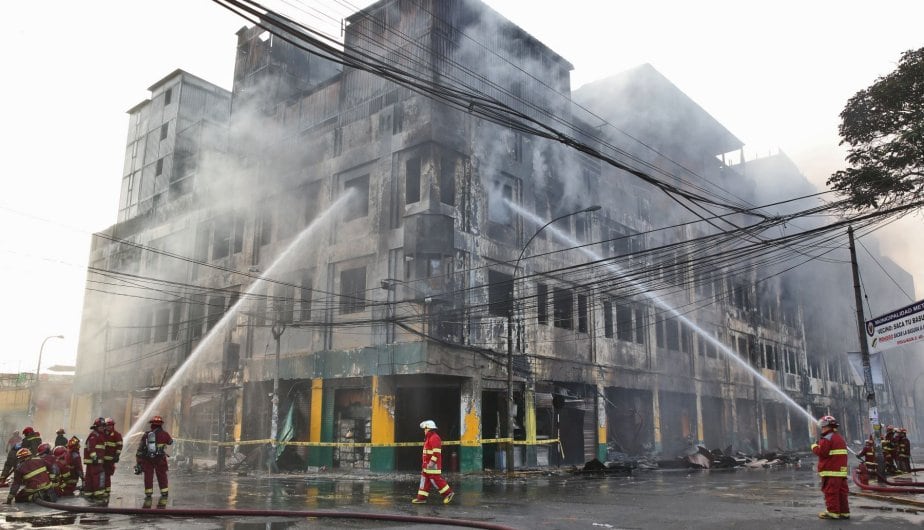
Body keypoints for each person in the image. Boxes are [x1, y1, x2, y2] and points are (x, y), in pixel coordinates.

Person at [811, 415, 849, 520]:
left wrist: (814, 447)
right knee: (841, 492)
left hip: (831, 470)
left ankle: (833, 512)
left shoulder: (827, 438)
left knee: (831, 492)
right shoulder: (839, 437)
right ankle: (844, 512)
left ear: (828, 426)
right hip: (841, 471)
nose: (822, 428)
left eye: (823, 426)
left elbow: (822, 452)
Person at [411, 420, 454, 505]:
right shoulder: (428, 438)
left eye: (425, 429)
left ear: (428, 428)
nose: (424, 430)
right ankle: (421, 498)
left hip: (433, 465)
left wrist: (432, 462)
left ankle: (448, 493)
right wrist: (425, 465)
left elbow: (437, 452)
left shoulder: (434, 437)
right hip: (426, 465)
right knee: (424, 481)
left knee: (435, 480)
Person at [135, 415, 173, 499]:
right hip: (160, 458)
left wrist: (138, 461)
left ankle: (148, 493)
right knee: (162, 475)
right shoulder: (165, 434)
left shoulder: (147, 434)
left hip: (147, 458)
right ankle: (164, 492)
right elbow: (170, 442)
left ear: (152, 424)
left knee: (148, 475)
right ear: (161, 425)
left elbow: (141, 448)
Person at [84, 417, 108, 502]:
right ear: (96, 427)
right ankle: (98, 494)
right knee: (98, 476)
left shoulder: (99, 434)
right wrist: (94, 457)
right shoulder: (94, 435)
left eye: (103, 426)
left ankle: (89, 494)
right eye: (100, 426)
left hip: (95, 461)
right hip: (95, 461)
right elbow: (91, 447)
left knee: (90, 477)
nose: (102, 428)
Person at [103, 418, 123, 497]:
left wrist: (117, 455)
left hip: (110, 459)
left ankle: (107, 491)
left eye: (110, 425)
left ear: (113, 426)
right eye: (107, 425)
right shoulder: (102, 434)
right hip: (101, 459)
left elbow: (119, 446)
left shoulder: (116, 435)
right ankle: (100, 489)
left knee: (107, 475)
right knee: (100, 474)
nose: (108, 427)